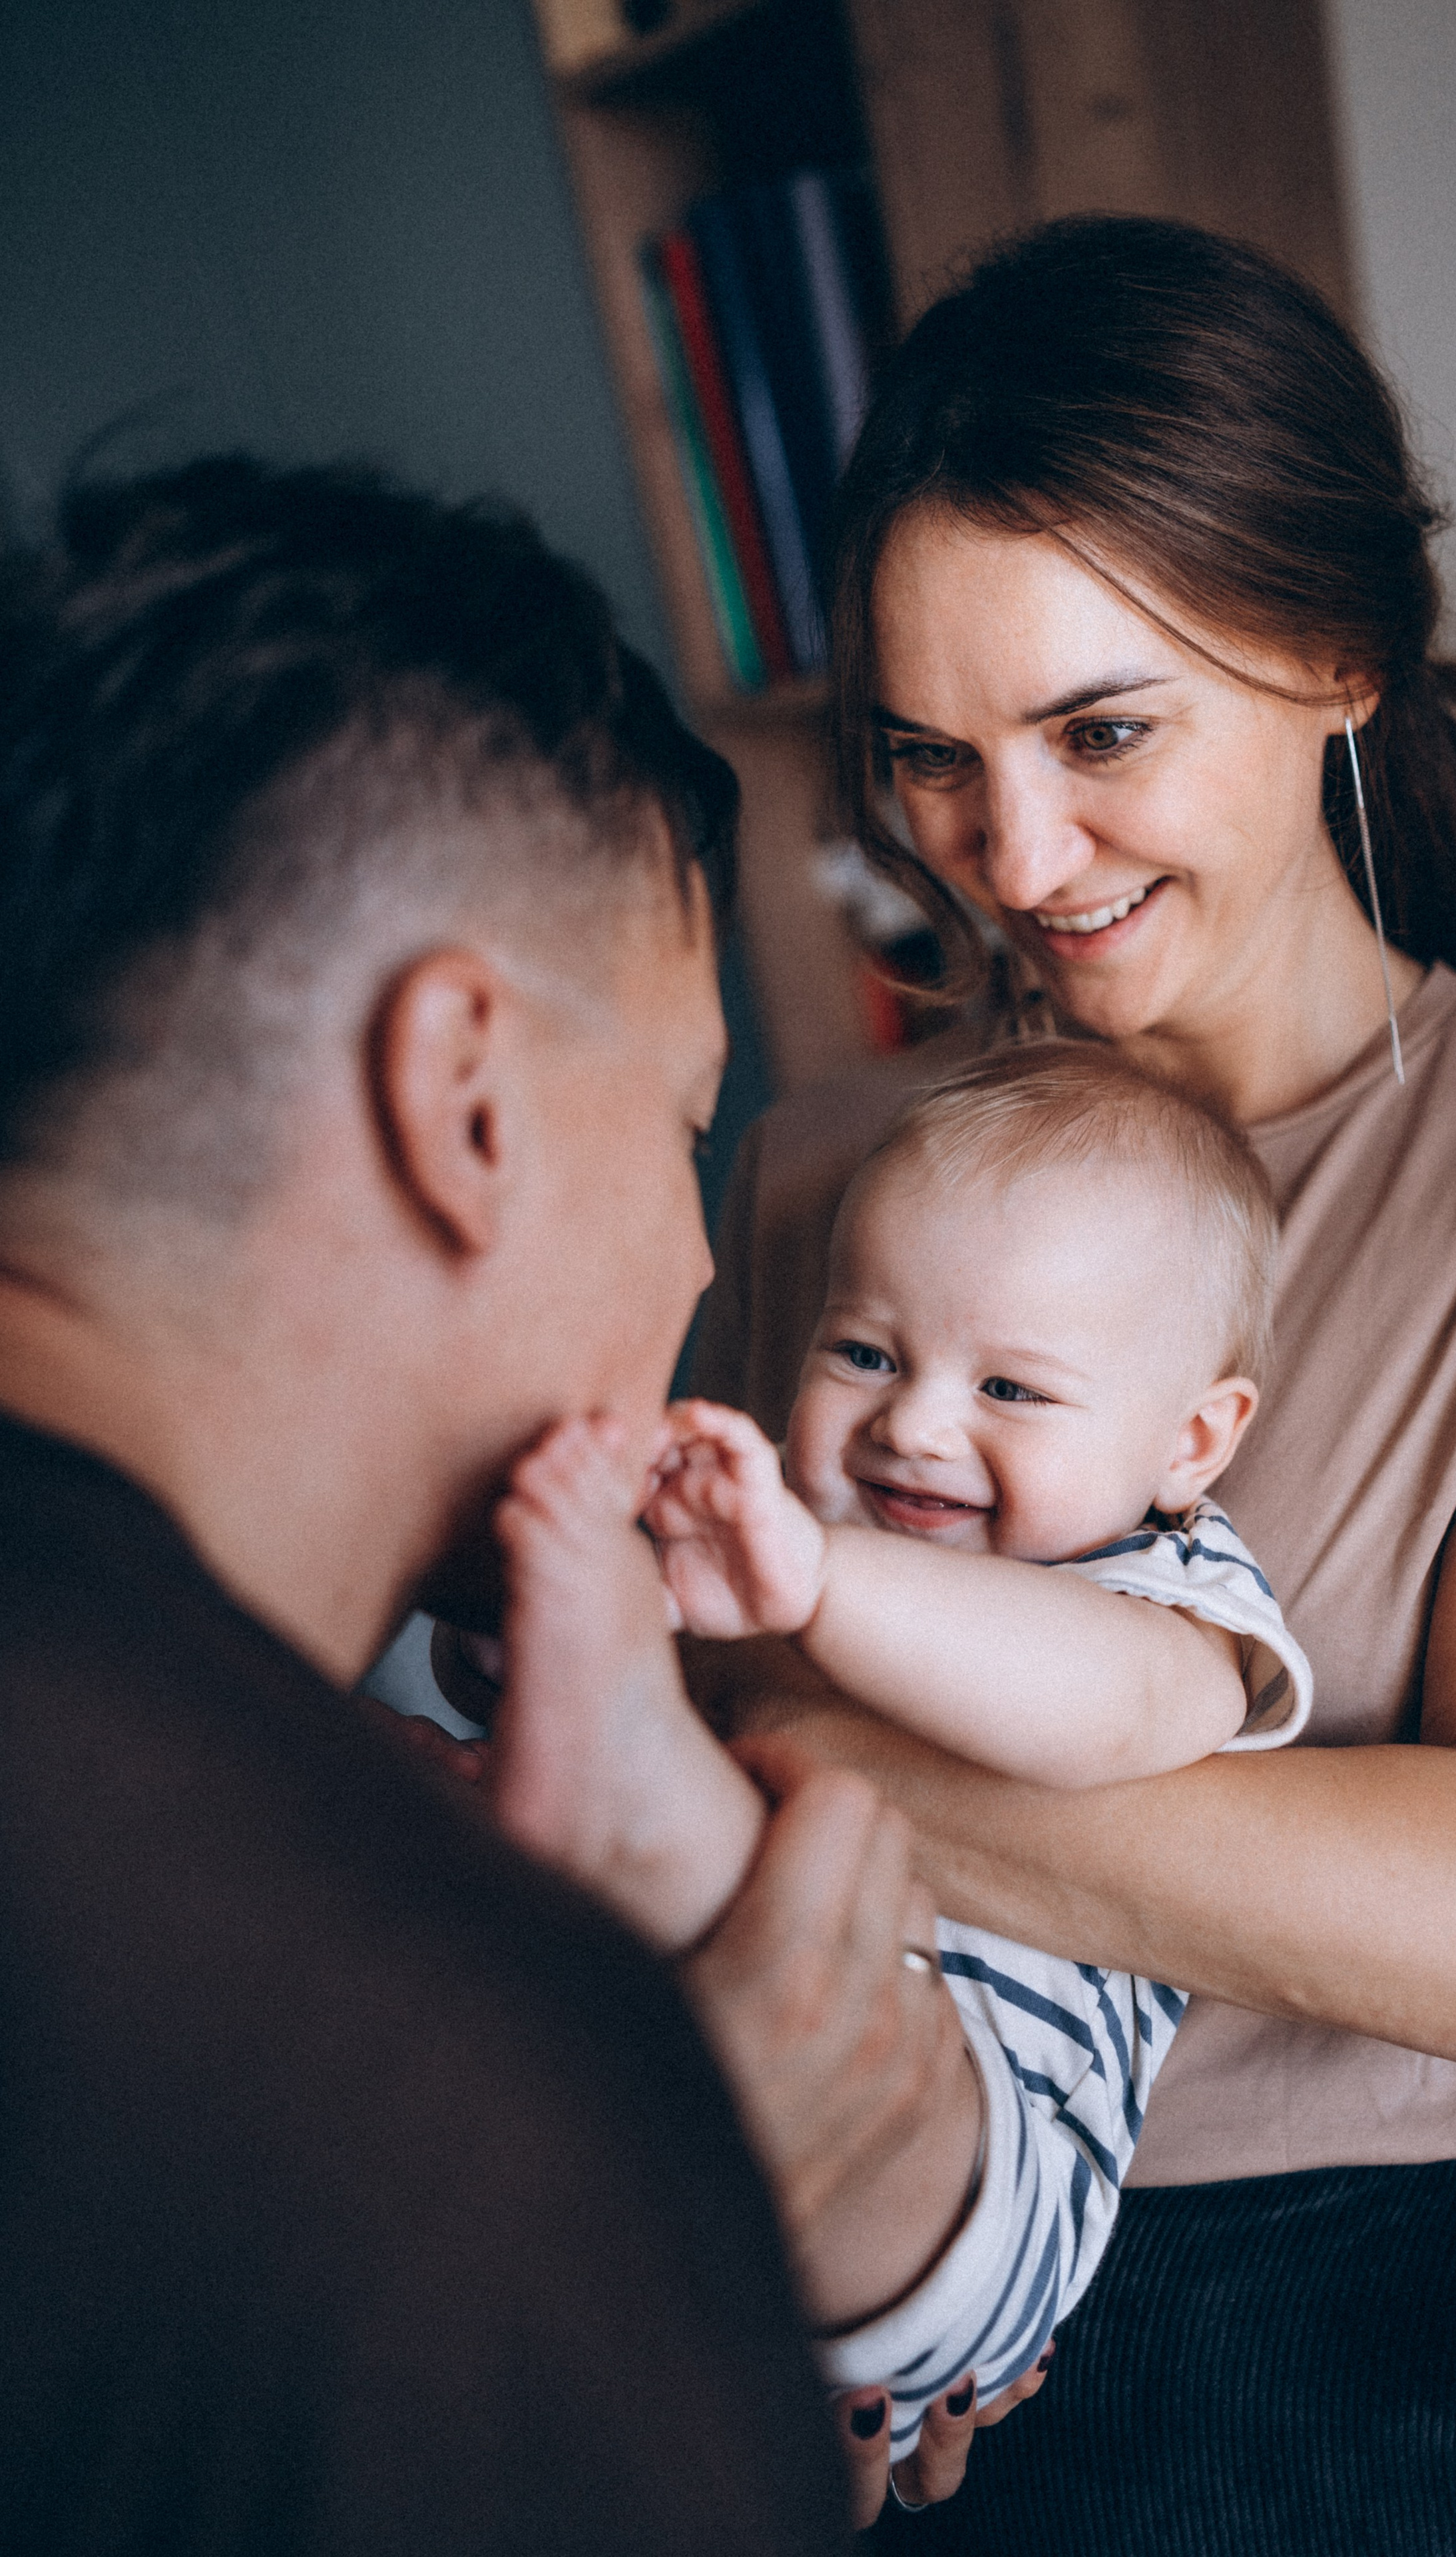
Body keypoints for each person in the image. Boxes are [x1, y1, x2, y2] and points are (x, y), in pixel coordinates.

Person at [690, 217, 1456, 2551]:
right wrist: (863, 2239)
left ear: (1339, 655)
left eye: (1102, 731)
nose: (1011, 863)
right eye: (927, 759)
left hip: (1374, 2326)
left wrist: (797, 1736)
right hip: (880, 2244)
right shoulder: (827, 1163)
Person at [0, 455, 1023, 2550]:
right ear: (464, 1098)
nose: (706, 1264)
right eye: (675, 1121)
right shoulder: (453, 2106)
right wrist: (661, 2238)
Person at [493, 1041, 1310, 2454]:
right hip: (657, 2124)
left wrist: (806, 1583)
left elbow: (1107, 1711)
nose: (914, 1425)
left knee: (860, 2081)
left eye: (1012, 1392)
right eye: (864, 1352)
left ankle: (624, 1771)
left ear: (1190, 1440)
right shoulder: (807, 1526)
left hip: (985, 2177)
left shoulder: (1167, 1591)